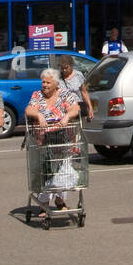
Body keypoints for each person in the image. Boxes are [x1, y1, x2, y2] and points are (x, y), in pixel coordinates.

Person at [25, 68, 81, 213]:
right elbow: (29, 110)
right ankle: (44, 202)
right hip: (43, 140)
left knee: (62, 171)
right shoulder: (37, 95)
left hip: (63, 138)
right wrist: (39, 115)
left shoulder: (64, 94)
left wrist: (67, 117)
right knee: (47, 170)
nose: (44, 85)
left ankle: (60, 200)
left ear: (56, 83)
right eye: (43, 82)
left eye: (48, 82)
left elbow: (75, 109)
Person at [57, 54, 94, 121]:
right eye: (62, 68)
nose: (64, 70)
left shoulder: (78, 75)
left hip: (77, 108)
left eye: (66, 68)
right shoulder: (58, 77)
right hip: (63, 110)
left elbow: (84, 92)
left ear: (71, 66)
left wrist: (90, 107)